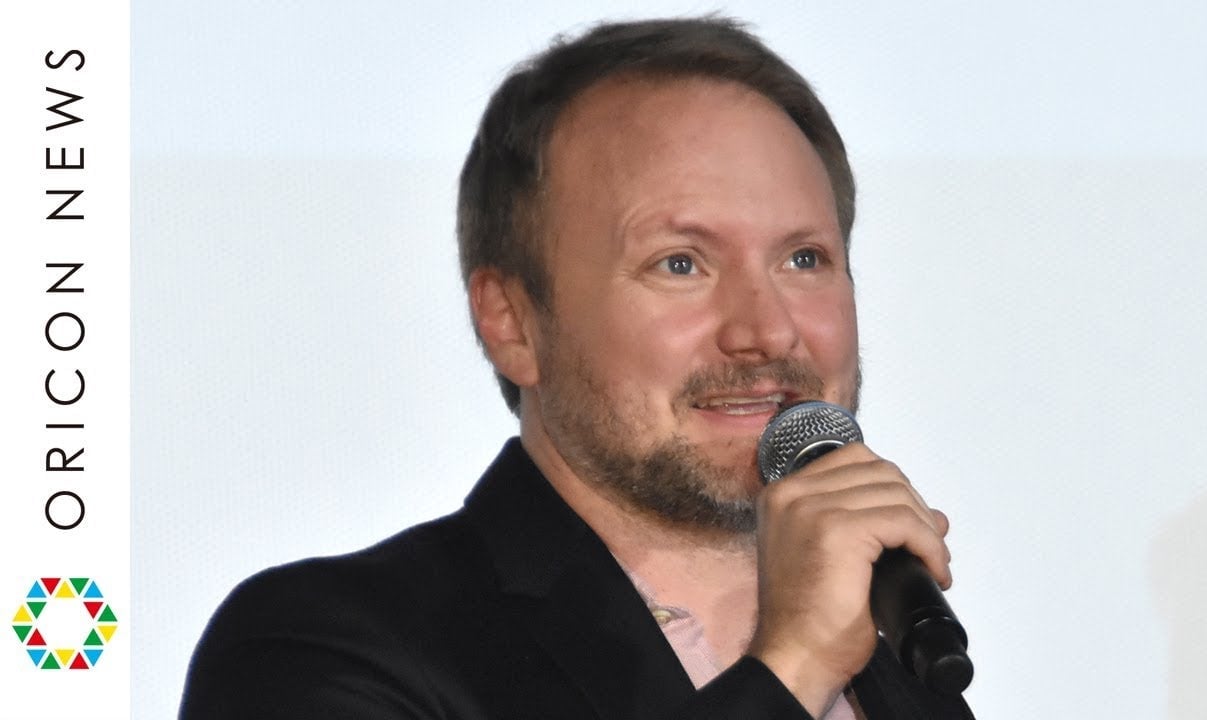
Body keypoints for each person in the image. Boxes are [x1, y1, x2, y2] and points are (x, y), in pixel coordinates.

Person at [180, 17, 974, 720]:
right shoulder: (320, 650)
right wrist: (792, 667)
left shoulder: (910, 674)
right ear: (512, 322)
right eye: (680, 263)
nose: (766, 331)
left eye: (804, 259)